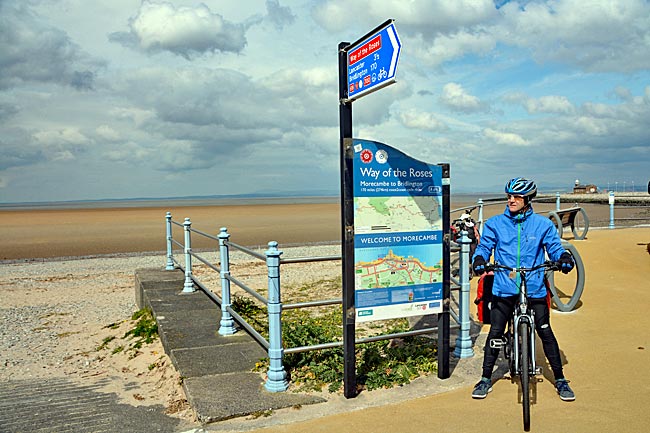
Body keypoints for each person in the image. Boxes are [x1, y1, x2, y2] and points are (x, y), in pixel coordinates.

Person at [470, 177, 576, 401]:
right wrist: (479, 258)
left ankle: (560, 380)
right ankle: (485, 379)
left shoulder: (542, 225)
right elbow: (485, 246)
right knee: (496, 332)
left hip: (534, 286)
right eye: (509, 196)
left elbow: (554, 247)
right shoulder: (495, 224)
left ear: (528, 199)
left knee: (545, 331)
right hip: (504, 286)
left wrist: (563, 257)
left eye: (516, 196)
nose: (511, 199)